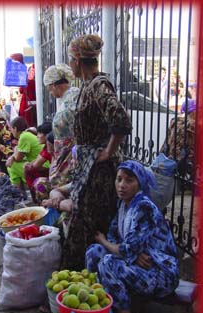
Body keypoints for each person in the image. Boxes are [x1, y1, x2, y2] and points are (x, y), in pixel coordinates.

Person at [86, 160, 179, 313]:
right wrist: (127, 252)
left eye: (129, 180)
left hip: (161, 272)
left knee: (108, 262)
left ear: (140, 184)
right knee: (93, 251)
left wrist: (110, 244)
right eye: (119, 179)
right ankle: (103, 306)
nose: (122, 185)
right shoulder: (123, 204)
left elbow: (125, 249)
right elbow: (115, 235)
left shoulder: (143, 207)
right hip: (141, 266)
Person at [61, 34, 132, 270]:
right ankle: (86, 277)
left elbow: (121, 120)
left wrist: (108, 152)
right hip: (90, 167)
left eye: (71, 60)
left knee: (85, 223)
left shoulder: (99, 86)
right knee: (87, 223)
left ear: (78, 61)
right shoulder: (88, 86)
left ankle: (76, 281)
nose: (70, 65)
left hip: (99, 171)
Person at [33, 63, 80, 203]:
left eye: (49, 89)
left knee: (55, 191)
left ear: (53, 85)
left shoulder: (72, 99)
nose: (50, 93)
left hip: (70, 156)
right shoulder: (71, 96)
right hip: (65, 155)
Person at [6, 117, 43, 188]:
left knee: (11, 165)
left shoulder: (24, 137)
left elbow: (18, 158)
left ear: (16, 128)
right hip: (40, 163)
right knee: (13, 163)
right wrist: (14, 154)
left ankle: (17, 192)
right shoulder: (26, 134)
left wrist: (12, 157)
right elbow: (18, 151)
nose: (11, 131)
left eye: (11, 129)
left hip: (42, 166)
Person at [160, 98, 196, 166]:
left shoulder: (174, 120)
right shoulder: (192, 124)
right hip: (183, 160)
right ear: (193, 112)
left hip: (169, 155)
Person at [24, 121, 52, 202]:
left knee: (29, 171)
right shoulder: (45, 147)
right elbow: (35, 161)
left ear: (47, 135)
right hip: (50, 171)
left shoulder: (49, 148)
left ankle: (39, 201)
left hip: (55, 176)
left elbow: (35, 165)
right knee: (28, 169)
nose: (37, 136)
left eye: (39, 133)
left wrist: (29, 165)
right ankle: (36, 199)